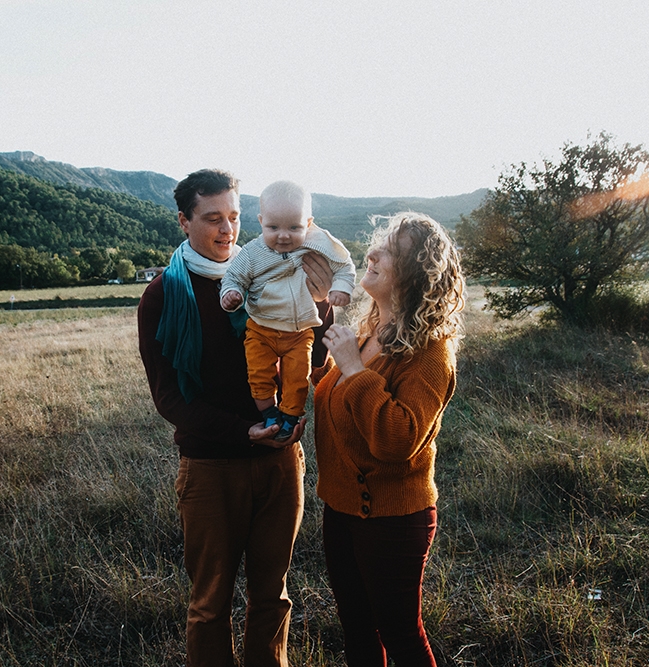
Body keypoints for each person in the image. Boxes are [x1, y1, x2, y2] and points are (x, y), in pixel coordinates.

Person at [137, 168, 335, 667]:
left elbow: (312, 364)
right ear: (184, 221)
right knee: (210, 604)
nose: (227, 231)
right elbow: (169, 399)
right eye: (212, 219)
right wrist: (242, 431)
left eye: (235, 216)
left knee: (274, 596)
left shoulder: (273, 270)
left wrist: (319, 305)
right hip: (211, 468)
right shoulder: (164, 295)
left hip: (280, 463)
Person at [313, 212, 465, 666]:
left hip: (393, 519)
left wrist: (355, 371)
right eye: (377, 244)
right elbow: (338, 398)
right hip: (341, 510)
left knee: (400, 635)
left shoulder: (430, 353)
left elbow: (397, 440)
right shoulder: (369, 332)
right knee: (358, 633)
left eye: (389, 251)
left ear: (416, 274)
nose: (372, 253)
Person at [220, 180, 356, 441]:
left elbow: (344, 265)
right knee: (259, 374)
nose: (283, 235)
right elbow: (233, 277)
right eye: (273, 227)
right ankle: (269, 412)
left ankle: (290, 416)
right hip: (261, 328)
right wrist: (231, 294)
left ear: (308, 222)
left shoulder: (317, 243)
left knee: (297, 378)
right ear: (261, 221)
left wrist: (341, 288)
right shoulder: (252, 253)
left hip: (300, 331)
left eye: (294, 227)